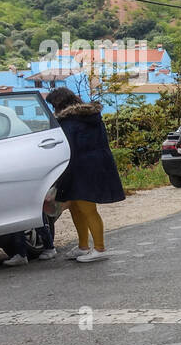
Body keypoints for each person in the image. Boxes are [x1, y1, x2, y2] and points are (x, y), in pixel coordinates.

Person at [44, 88, 125, 263]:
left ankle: (100, 248)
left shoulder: (69, 122)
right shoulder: (89, 116)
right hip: (93, 165)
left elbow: (68, 149)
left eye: (53, 105)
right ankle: (83, 246)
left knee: (87, 209)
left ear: (59, 105)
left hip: (82, 167)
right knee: (76, 207)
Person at [2, 187, 63, 266]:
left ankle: (49, 247)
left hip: (27, 187)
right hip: (18, 187)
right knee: (18, 215)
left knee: (35, 215)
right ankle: (21, 254)